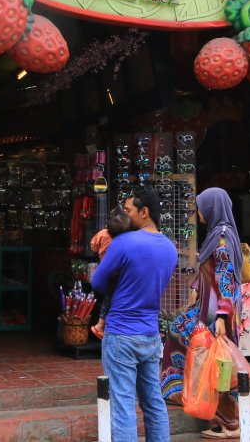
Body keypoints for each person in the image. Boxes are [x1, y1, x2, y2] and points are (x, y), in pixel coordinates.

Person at [91, 185, 178, 442]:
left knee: (123, 405)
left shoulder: (124, 243)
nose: (125, 215)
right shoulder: (170, 249)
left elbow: (97, 282)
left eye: (128, 210)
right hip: (150, 334)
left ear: (144, 212)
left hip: (121, 334)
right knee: (154, 401)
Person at [160, 187, 244, 439]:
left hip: (217, 310)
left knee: (219, 364)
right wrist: (196, 287)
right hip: (209, 306)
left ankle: (230, 422)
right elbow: (210, 270)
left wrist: (221, 316)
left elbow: (226, 279)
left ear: (212, 208)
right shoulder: (219, 233)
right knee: (181, 333)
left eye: (200, 208)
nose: (198, 213)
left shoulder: (221, 238)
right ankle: (189, 395)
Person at [89, 205, 132, 339]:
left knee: (109, 297)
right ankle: (100, 325)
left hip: (106, 271)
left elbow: (93, 246)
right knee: (112, 299)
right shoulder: (125, 237)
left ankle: (102, 325)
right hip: (120, 273)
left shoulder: (102, 234)